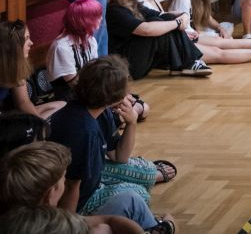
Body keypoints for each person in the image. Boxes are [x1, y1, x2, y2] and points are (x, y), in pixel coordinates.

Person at [48, 56, 169, 231]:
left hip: (92, 176)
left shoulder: (98, 110)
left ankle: (135, 187)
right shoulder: (84, 132)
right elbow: (71, 185)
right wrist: (70, 226)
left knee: (148, 172)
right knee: (138, 195)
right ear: (113, 98)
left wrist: (131, 123)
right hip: (80, 199)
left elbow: (119, 156)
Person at [0, 142, 148, 234]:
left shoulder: (14, 219)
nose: (66, 183)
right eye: (64, 179)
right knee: (103, 229)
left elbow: (108, 219)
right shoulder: (48, 224)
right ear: (51, 194)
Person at [46, 0, 148, 121]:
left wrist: (119, 93)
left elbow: (96, 73)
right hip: (75, 98)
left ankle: (123, 116)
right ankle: (120, 118)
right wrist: (111, 96)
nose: (101, 19)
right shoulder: (62, 47)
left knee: (143, 108)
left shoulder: (90, 40)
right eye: (97, 16)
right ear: (84, 20)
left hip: (93, 92)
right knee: (122, 113)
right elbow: (75, 85)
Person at [106, 0, 213, 79]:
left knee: (166, 19)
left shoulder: (136, 6)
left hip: (139, 59)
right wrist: (177, 23)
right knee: (157, 22)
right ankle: (189, 62)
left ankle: (185, 64)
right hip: (127, 66)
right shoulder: (115, 10)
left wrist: (183, 15)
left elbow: (164, 14)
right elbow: (146, 30)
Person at [1, 21, 64, 119]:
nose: (31, 43)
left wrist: (39, 123)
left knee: (63, 105)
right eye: (26, 38)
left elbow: (23, 102)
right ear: (14, 46)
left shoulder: (17, 65)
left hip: (15, 114)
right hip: (6, 119)